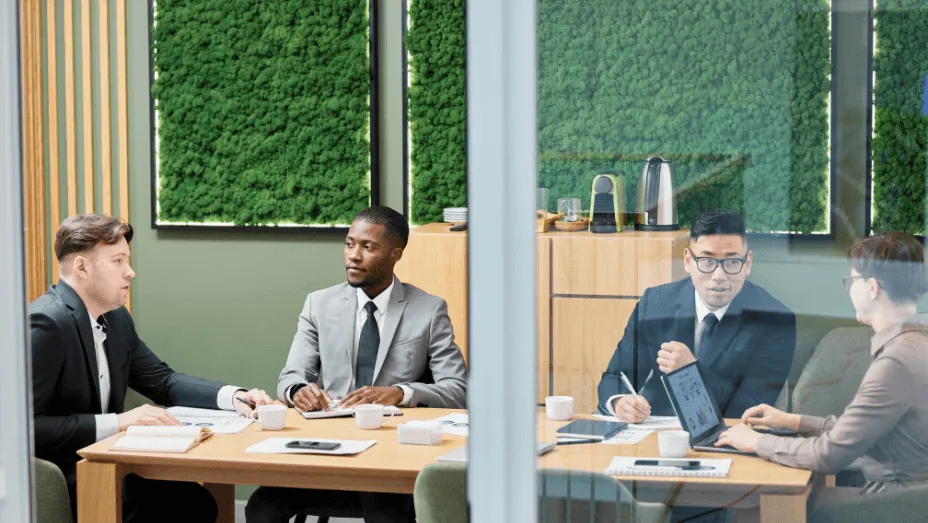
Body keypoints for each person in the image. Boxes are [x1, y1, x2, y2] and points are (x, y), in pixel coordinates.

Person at [30, 214, 276, 523]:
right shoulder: (46, 323)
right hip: (67, 475)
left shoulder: (116, 319)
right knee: (185, 506)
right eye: (117, 261)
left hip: (112, 464)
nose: (130, 272)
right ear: (82, 267)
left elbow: (162, 380)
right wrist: (119, 422)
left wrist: (233, 395)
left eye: (127, 261)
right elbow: (24, 428)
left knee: (195, 501)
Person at [246, 206, 467, 523]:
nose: (353, 256)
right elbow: (290, 377)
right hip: (327, 451)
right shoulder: (318, 304)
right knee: (261, 508)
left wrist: (399, 392)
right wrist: (297, 391)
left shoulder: (429, 310)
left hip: (392, 458)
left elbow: (457, 390)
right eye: (350, 244)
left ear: (395, 254)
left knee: (384, 513)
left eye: (368, 247)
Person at [717, 231, 928, 499]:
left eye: (851, 280)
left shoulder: (897, 361)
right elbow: (858, 429)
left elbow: (828, 455)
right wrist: (792, 421)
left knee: (777, 503)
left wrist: (756, 441)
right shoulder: (916, 342)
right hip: (907, 500)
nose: (849, 289)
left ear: (872, 287)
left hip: (893, 506)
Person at [597, 210, 796, 423]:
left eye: (731, 263)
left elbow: (753, 410)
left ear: (747, 264)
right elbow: (616, 377)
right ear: (687, 261)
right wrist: (619, 403)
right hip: (657, 430)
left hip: (729, 435)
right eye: (707, 261)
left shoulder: (776, 320)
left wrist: (692, 373)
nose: (719, 276)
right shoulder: (655, 303)